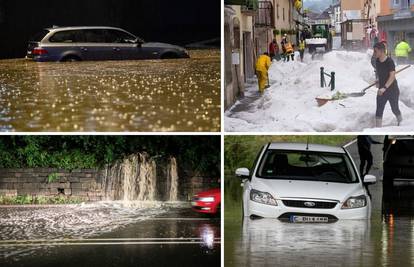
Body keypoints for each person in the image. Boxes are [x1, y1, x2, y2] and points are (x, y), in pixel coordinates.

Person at [373, 41, 402, 127]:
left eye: (375, 51)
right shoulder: (377, 61)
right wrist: (378, 80)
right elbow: (381, 74)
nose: (374, 53)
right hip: (382, 90)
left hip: (392, 90)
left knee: (395, 109)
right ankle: (378, 129)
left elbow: (392, 76)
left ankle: (402, 123)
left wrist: (384, 88)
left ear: (381, 51)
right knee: (379, 110)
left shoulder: (389, 61)